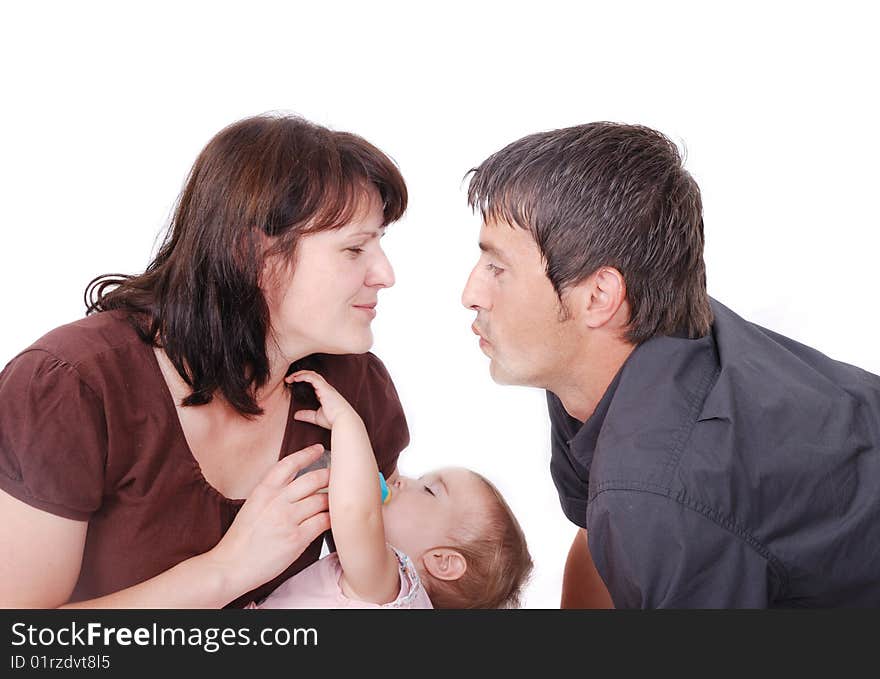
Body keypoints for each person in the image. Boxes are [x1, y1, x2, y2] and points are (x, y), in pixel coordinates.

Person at [460, 122, 880, 608]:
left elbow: (641, 512)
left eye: (498, 269)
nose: (471, 294)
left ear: (599, 296)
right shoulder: (614, 358)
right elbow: (600, 537)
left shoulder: (663, 492)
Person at [0, 113, 411, 608]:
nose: (384, 274)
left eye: (381, 243)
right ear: (252, 254)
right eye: (354, 249)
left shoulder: (351, 390)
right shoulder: (71, 387)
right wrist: (226, 571)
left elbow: (392, 588)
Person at [248, 370, 532, 609]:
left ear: (442, 562)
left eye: (428, 490)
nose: (403, 480)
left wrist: (347, 423)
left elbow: (357, 515)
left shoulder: (391, 587)